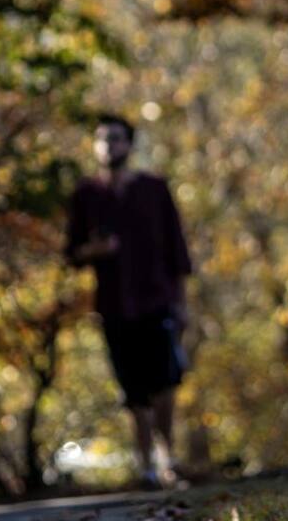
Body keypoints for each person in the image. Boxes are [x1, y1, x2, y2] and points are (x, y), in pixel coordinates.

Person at [65, 113, 193, 489]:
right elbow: (71, 253)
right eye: (102, 139)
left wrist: (182, 303)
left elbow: (177, 249)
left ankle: (169, 456)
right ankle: (147, 467)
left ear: (130, 145)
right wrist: (96, 249)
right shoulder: (86, 195)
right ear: (94, 145)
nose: (109, 145)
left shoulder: (154, 188)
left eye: (117, 139)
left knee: (166, 382)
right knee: (134, 391)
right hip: (114, 306)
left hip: (158, 300)